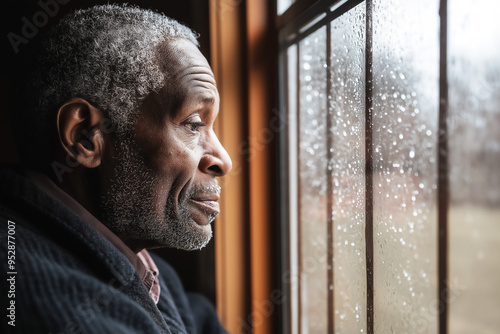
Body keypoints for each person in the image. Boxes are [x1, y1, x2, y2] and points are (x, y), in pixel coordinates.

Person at [0, 3, 232, 333]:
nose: (224, 159)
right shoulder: (37, 293)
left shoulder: (151, 271)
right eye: (194, 124)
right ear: (86, 137)